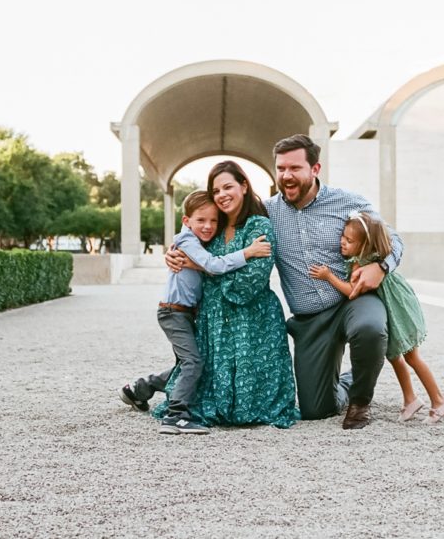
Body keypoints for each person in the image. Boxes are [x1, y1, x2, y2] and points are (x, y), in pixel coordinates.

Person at [266, 134, 403, 429]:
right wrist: (184, 251)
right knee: (316, 409)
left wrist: (381, 267)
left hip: (352, 300)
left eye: (295, 168)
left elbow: (393, 239)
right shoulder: (268, 213)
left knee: (369, 329)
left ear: (315, 169)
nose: (286, 176)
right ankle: (353, 377)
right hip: (310, 319)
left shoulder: (349, 202)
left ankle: (360, 401)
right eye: (281, 169)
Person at [155, 161, 300, 428]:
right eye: (216, 190)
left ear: (244, 186)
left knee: (239, 390)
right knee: (197, 367)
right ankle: (154, 393)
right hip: (214, 319)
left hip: (252, 319)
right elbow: (189, 241)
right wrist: (173, 252)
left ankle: (146, 386)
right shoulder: (214, 227)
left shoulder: (259, 227)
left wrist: (198, 265)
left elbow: (246, 284)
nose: (222, 194)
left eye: (228, 186)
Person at [120, 190, 273, 435]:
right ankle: (176, 415)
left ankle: (140, 388)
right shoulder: (187, 241)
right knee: (193, 362)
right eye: (201, 220)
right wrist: (249, 252)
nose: (208, 226)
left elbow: (209, 267)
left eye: (214, 221)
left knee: (190, 363)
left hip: (185, 312)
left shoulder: (199, 243)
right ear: (186, 221)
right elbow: (214, 265)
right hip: (173, 312)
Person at [311, 211, 444, 423]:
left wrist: (328, 276)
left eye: (349, 241)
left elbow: (352, 291)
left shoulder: (359, 264)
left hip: (398, 311)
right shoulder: (370, 258)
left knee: (412, 357)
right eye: (343, 236)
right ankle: (410, 399)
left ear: (365, 244)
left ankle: (439, 400)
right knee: (394, 356)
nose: (342, 242)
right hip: (395, 307)